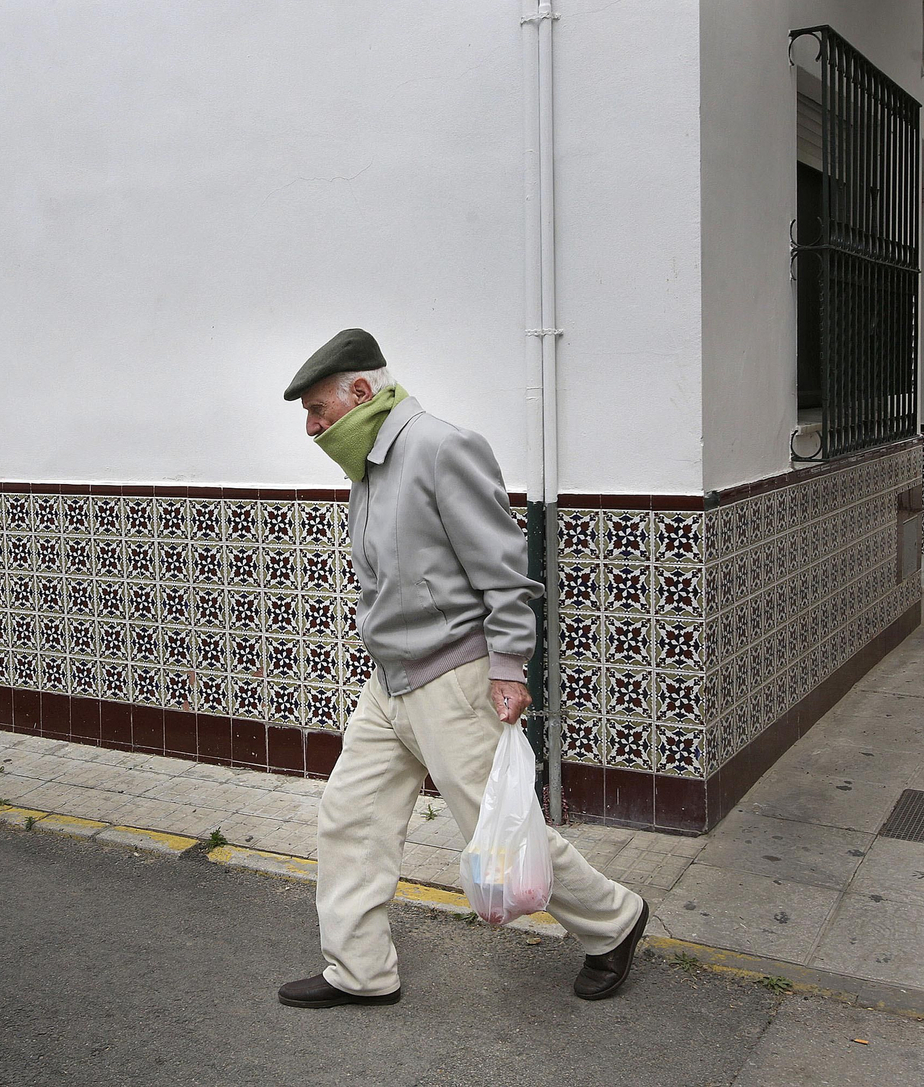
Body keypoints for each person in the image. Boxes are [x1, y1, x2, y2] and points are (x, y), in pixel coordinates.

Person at [277, 328, 649, 1009]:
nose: (312, 428)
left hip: (451, 678)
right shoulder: (369, 467)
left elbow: (505, 572)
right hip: (389, 682)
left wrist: (509, 664)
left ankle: (614, 919)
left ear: (363, 392)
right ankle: (360, 972)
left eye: (318, 410)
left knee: (496, 829)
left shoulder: (441, 449)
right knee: (349, 816)